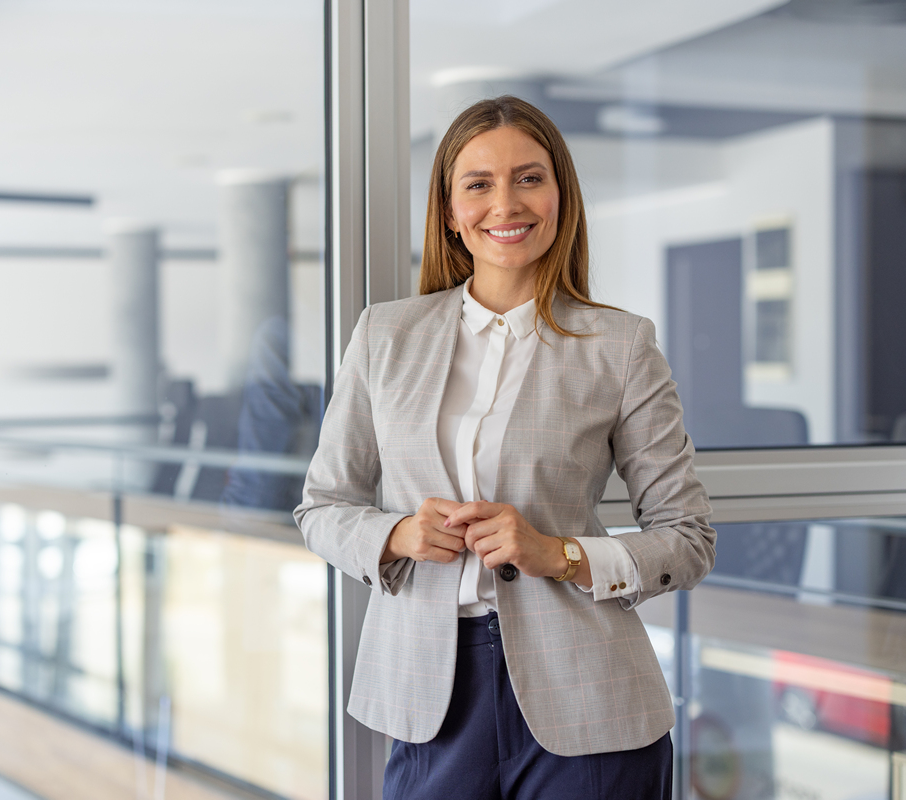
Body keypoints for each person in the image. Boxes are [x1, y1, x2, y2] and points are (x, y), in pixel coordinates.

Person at [294, 95, 715, 799]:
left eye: (529, 177)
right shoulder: (384, 336)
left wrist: (561, 554)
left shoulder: (622, 346)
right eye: (478, 184)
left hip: (591, 698)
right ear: (451, 211)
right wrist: (397, 533)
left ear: (560, 196)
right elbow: (321, 508)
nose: (506, 204)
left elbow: (688, 538)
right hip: (430, 697)